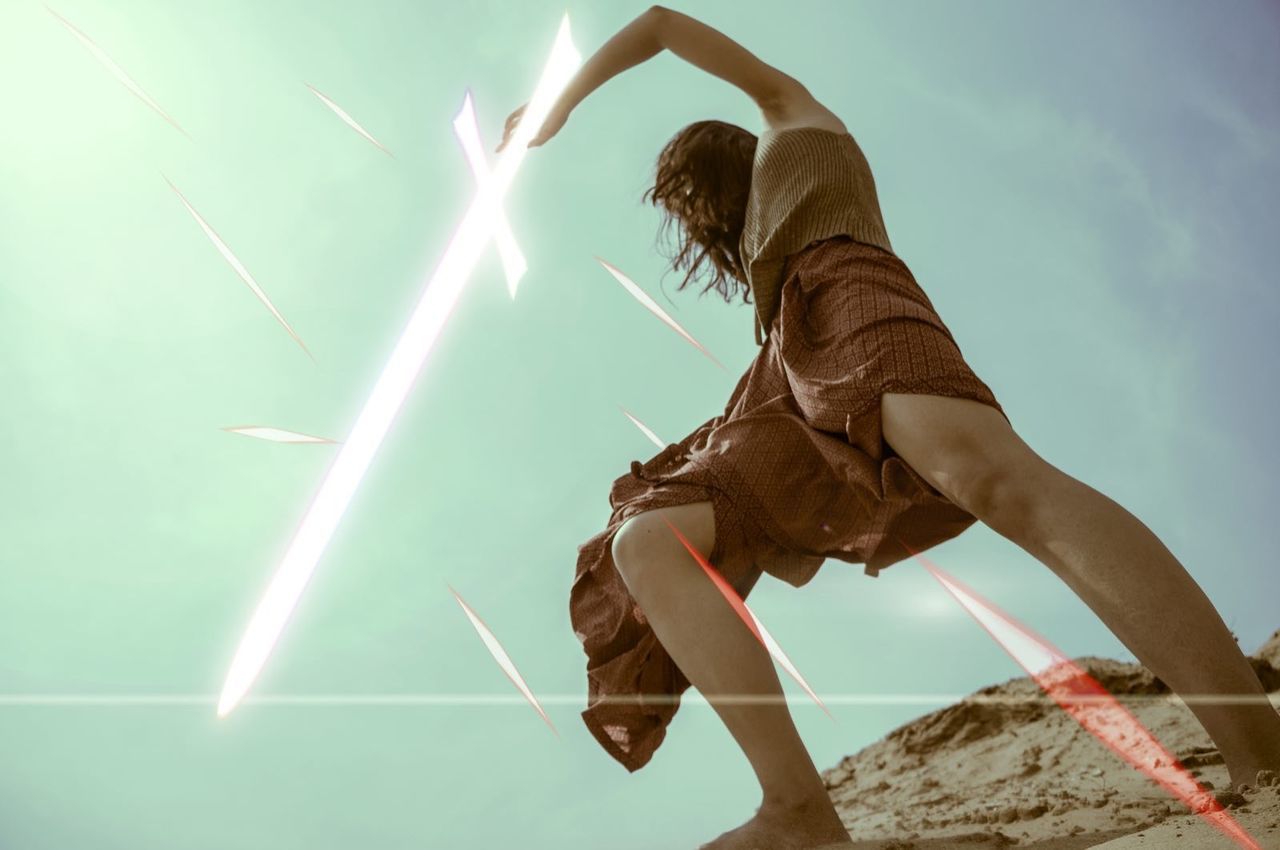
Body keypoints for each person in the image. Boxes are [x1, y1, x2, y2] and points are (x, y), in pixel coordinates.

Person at [498, 7, 1280, 849]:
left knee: (999, 482)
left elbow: (657, 24)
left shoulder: (792, 119)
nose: (693, 208)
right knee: (647, 542)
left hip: (852, 292)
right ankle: (799, 811)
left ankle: (1257, 747)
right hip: (784, 380)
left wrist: (560, 103)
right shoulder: (767, 263)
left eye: (691, 182)